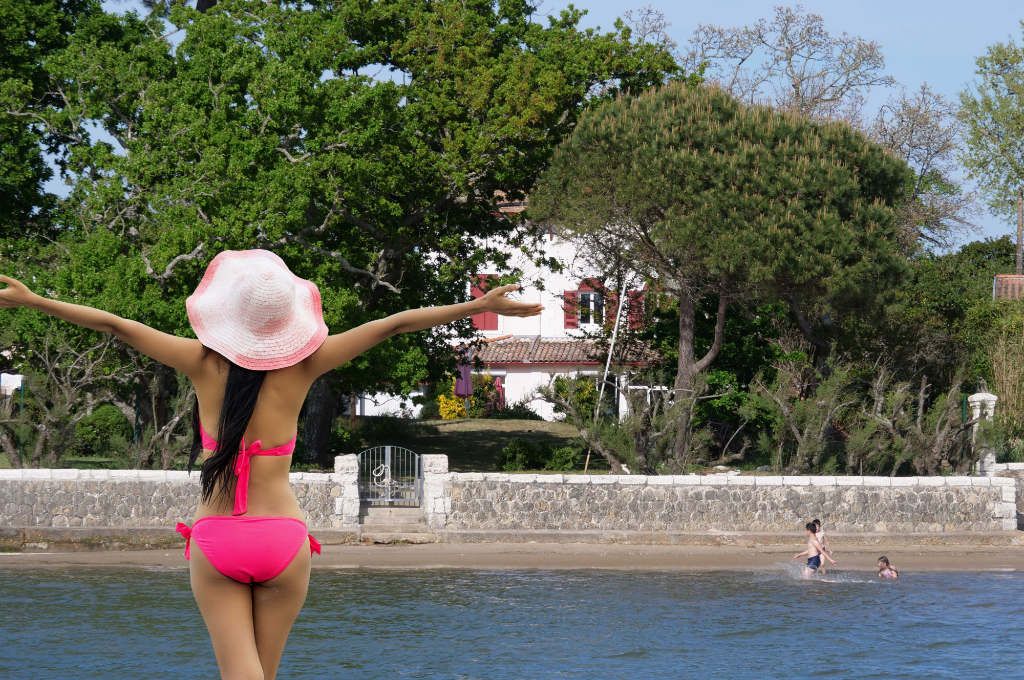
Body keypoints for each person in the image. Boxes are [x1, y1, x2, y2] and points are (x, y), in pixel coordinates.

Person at [0, 250, 542, 680]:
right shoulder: (306, 365)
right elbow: (392, 325)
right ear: (286, 320)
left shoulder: (200, 361)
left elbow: (116, 325)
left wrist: (34, 300)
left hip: (218, 537)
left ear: (225, 316)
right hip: (283, 539)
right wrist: (474, 306)